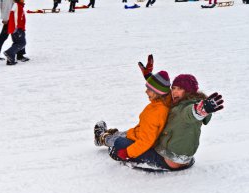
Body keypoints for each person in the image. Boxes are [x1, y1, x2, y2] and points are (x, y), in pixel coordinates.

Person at [94, 55, 224, 171]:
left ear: (189, 92)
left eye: (180, 89)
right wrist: (149, 77)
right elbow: (162, 92)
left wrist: (201, 110)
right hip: (175, 154)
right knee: (131, 133)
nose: (174, 92)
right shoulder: (175, 101)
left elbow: (190, 114)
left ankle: (103, 138)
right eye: (173, 88)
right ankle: (108, 136)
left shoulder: (186, 109)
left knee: (121, 144)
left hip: (168, 159)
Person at [94, 55, 173, 162]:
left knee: (117, 140)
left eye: (149, 89)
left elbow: (146, 141)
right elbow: (162, 88)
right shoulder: (168, 100)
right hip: (139, 131)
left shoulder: (155, 113)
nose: (146, 92)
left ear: (158, 93)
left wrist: (127, 153)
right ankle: (113, 134)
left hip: (139, 139)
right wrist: (148, 75)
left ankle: (102, 138)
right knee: (125, 133)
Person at [3, 0, 28, 65]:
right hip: (17, 28)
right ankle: (9, 52)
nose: (23, 0)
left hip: (17, 28)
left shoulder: (18, 5)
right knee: (22, 43)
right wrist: (16, 27)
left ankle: (10, 60)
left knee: (16, 43)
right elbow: (13, 16)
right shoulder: (17, 5)